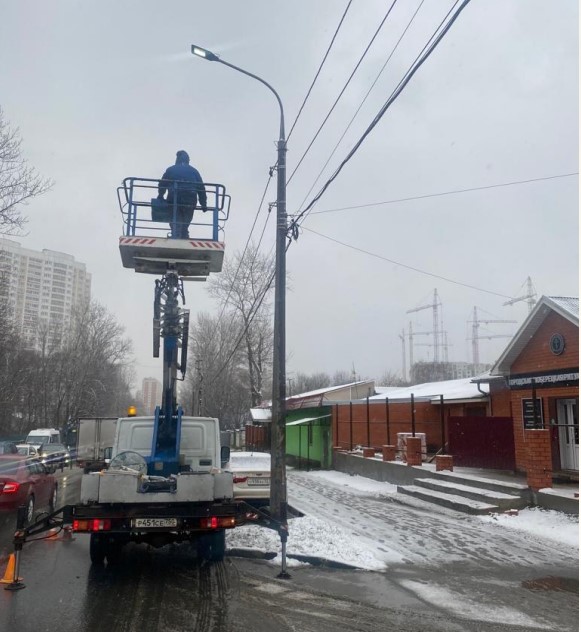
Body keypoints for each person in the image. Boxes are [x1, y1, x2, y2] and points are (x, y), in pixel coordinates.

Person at [157, 150, 208, 238]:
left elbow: (163, 184)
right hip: (190, 200)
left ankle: (176, 234)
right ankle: (184, 233)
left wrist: (160, 195)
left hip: (174, 199)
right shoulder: (194, 171)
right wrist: (203, 204)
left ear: (177, 159)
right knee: (185, 222)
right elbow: (201, 188)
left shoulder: (171, 170)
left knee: (175, 220)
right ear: (187, 160)